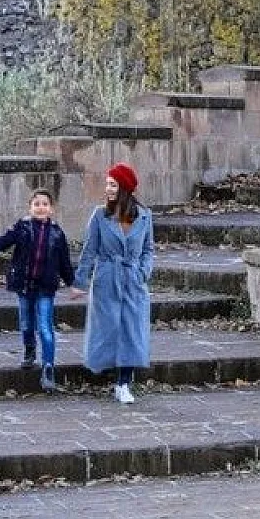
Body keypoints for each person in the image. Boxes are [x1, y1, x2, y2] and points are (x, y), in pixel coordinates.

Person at [0, 189, 75, 393]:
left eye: (45, 204)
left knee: (46, 327)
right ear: (30, 208)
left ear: (51, 209)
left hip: (45, 287)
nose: (41, 207)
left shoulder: (57, 233)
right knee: (27, 323)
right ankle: (30, 350)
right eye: (36, 204)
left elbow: (64, 262)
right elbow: (3, 241)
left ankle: (48, 366)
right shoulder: (22, 228)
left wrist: (73, 283)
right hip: (24, 285)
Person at [72, 162, 154, 404]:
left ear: (125, 188)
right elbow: (89, 251)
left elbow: (148, 249)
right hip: (107, 278)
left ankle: (123, 383)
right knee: (109, 329)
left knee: (132, 330)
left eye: (113, 185)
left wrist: (142, 271)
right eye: (107, 184)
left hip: (133, 280)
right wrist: (80, 282)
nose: (107, 189)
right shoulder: (100, 215)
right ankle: (108, 372)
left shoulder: (145, 216)